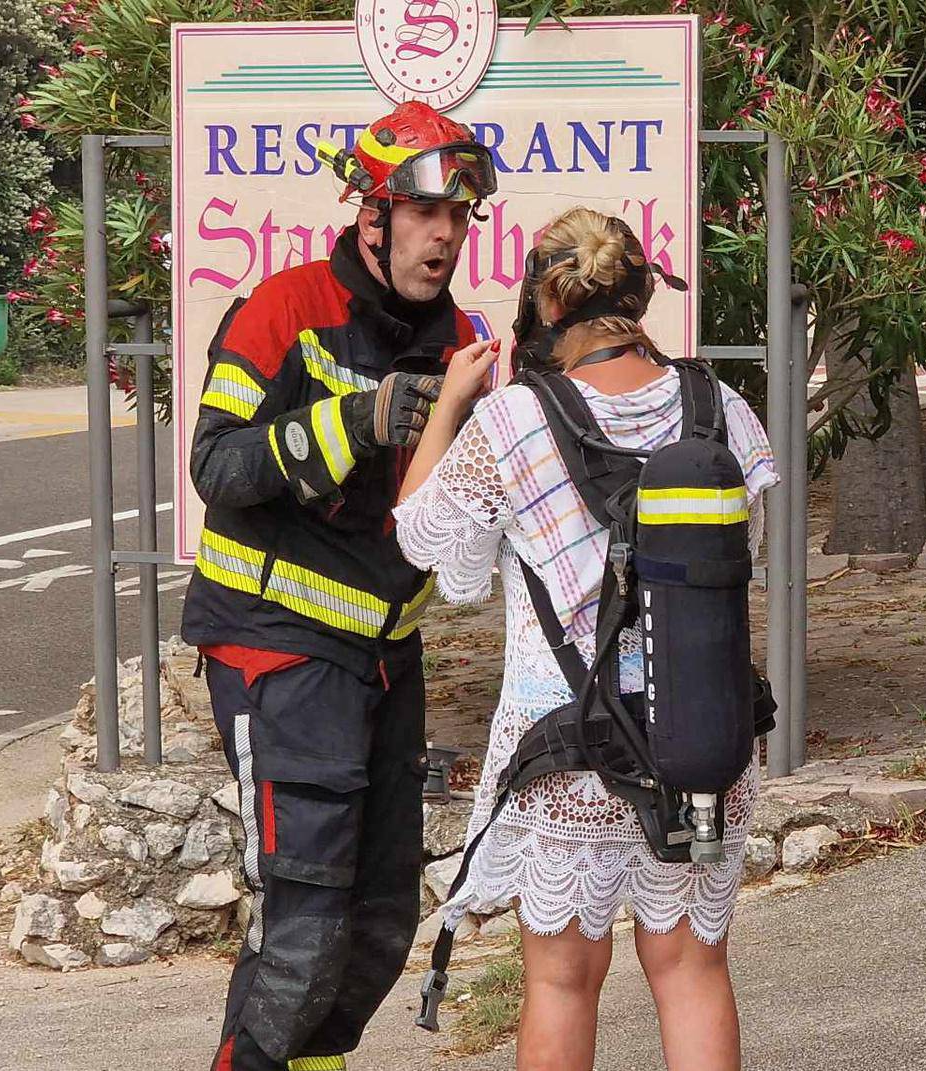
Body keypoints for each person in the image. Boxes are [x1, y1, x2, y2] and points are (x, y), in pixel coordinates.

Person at [394, 207, 777, 1071]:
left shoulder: (515, 420)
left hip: (564, 746)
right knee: (691, 967)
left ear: (541, 305)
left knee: (563, 981)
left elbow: (420, 536)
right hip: (703, 732)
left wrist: (454, 399)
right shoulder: (721, 407)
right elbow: (737, 551)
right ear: (639, 293)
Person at [180, 100, 498, 1071]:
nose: (444, 235)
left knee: (375, 931)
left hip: (383, 664)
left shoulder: (464, 343)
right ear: (373, 213)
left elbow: (443, 525)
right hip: (272, 646)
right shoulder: (281, 308)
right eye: (424, 213)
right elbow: (217, 467)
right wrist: (355, 419)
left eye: (457, 217)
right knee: (304, 931)